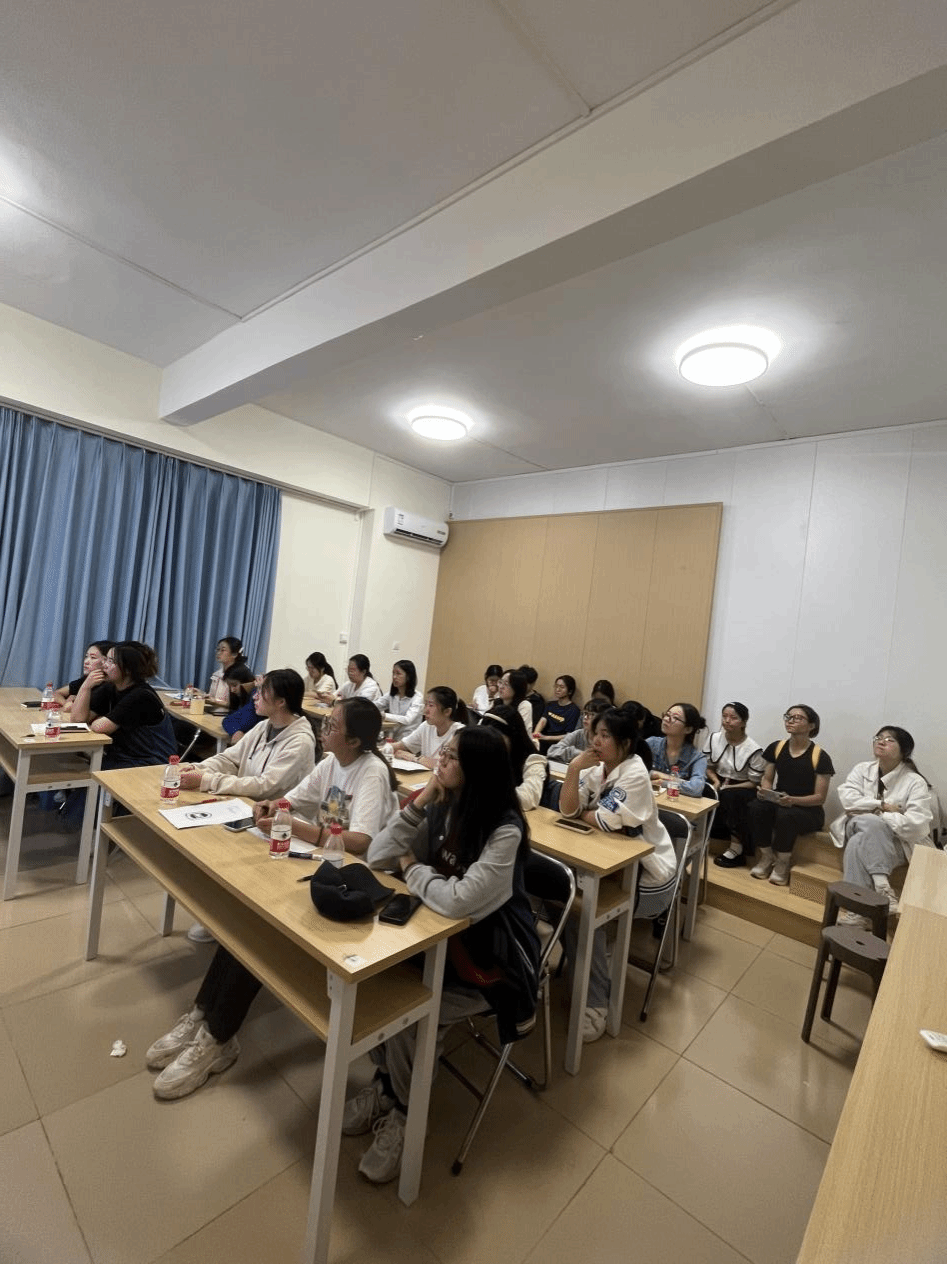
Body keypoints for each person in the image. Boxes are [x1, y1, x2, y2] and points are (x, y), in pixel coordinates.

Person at [145, 697, 398, 1101]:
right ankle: (203, 1015)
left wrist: (296, 826)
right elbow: (294, 798)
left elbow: (361, 841)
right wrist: (273, 807)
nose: (323, 729)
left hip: (353, 888)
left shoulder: (372, 773)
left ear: (353, 740)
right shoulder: (331, 762)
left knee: (259, 929)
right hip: (323, 869)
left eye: (332, 726)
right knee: (245, 918)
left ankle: (218, 1037)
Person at [345, 725, 540, 1184]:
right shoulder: (442, 805)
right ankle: (388, 1085)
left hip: (489, 962)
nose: (440, 762)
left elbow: (458, 901)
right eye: (443, 754)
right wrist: (419, 803)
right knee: (379, 992)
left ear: (477, 771)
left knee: (408, 1016)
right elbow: (378, 855)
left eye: (450, 758)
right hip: (434, 944)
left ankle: (405, 1112)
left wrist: (413, 868)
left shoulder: (504, 830)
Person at [559, 708, 676, 1043]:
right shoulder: (597, 769)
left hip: (650, 878)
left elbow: (605, 820)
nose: (595, 741)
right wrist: (573, 770)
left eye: (605, 735)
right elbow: (568, 810)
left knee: (583, 913)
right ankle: (588, 966)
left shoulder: (635, 772)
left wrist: (586, 814)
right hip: (612, 865)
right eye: (595, 733)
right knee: (562, 900)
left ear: (625, 743)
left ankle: (596, 1004)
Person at [832, 726, 933, 923]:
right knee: (868, 822)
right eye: (879, 737)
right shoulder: (862, 769)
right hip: (856, 826)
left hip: (897, 843)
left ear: (904, 751)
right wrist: (882, 806)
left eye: (889, 740)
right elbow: (848, 800)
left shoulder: (914, 782)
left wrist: (878, 816)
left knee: (858, 843)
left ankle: (857, 913)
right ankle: (882, 886)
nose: (881, 741)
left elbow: (918, 825)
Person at [177, 669, 316, 799]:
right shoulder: (263, 726)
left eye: (262, 692)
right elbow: (230, 759)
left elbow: (264, 786)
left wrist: (207, 780)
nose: (255, 696)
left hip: (280, 814)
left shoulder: (300, 742)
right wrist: (198, 768)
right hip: (247, 804)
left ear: (281, 702)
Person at [747, 705, 835, 886]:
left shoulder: (820, 756)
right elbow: (767, 778)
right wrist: (765, 792)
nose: (791, 720)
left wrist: (793, 800)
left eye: (798, 718)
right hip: (781, 800)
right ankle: (767, 856)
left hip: (808, 809)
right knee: (756, 806)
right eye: (788, 716)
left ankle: (782, 862)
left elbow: (820, 797)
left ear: (811, 726)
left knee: (785, 815)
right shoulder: (777, 747)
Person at [70, 640, 176, 768]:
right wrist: (86, 686)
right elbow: (77, 719)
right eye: (106, 659)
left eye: (111, 661)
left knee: (81, 770)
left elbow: (99, 727)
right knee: (71, 762)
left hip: (149, 762)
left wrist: (96, 719)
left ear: (128, 669)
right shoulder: (111, 687)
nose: (104, 665)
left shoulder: (141, 695)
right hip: (123, 756)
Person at [704, 702, 767, 868]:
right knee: (700, 787)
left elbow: (754, 782)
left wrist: (729, 787)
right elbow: (708, 767)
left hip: (743, 785)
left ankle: (736, 848)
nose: (727, 720)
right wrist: (716, 781)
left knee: (731, 797)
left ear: (743, 722)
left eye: (733, 717)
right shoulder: (714, 738)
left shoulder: (753, 749)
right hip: (718, 779)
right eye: (724, 716)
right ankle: (697, 834)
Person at [479, 704, 548, 811]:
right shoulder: (486, 754)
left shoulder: (533, 760)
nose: (490, 744)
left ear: (512, 737)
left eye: (495, 738)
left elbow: (528, 798)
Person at [394, 686, 467, 768]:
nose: (425, 710)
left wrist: (415, 758)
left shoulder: (459, 733)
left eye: (431, 705)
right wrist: (385, 748)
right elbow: (403, 745)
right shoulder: (426, 726)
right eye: (426, 704)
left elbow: (448, 766)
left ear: (447, 711)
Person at [646, 703, 708, 797]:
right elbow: (635, 772)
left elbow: (696, 789)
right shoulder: (651, 744)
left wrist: (662, 781)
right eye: (667, 715)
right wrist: (659, 775)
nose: (667, 719)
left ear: (688, 729)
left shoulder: (697, 758)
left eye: (675, 718)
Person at [54, 639, 114, 713]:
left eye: (93, 658)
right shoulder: (87, 678)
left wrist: (74, 702)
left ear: (106, 661)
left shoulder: (107, 687)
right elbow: (57, 693)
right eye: (86, 656)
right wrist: (66, 703)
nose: (86, 662)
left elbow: (79, 714)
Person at [547, 698, 611, 763]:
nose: (585, 717)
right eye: (585, 713)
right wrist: (579, 754)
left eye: (591, 715)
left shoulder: (607, 740)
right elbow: (552, 751)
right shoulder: (578, 734)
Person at [376, 659, 424, 739]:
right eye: (393, 673)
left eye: (398, 673)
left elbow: (407, 720)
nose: (394, 677)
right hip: (392, 737)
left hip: (409, 739)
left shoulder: (417, 697)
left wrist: (385, 716)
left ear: (408, 676)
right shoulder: (391, 695)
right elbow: (376, 705)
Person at [532, 675, 582, 751]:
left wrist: (545, 737)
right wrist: (536, 734)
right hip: (543, 739)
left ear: (570, 691)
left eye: (562, 687)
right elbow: (543, 720)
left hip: (558, 744)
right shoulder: (550, 705)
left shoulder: (574, 710)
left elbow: (569, 735)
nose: (557, 689)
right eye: (556, 686)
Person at [207, 636, 255, 712]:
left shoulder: (239, 672)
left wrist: (215, 702)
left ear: (234, 654)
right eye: (218, 649)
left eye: (223, 650)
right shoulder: (220, 673)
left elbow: (235, 705)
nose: (218, 652)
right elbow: (213, 696)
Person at [493, 669, 535, 741]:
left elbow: (518, 733)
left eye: (506, 684)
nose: (501, 687)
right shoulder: (497, 702)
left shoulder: (524, 705)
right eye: (500, 682)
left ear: (517, 688)